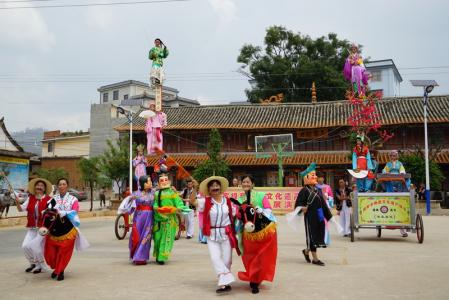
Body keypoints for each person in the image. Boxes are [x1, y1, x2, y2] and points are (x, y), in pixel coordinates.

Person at [237, 175, 277, 294]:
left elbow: (269, 210)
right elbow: (239, 217)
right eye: (243, 182)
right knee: (249, 256)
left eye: (248, 182)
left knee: (262, 256)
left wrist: (261, 210)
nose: (245, 184)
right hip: (248, 234)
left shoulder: (261, 196)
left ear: (253, 184)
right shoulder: (240, 199)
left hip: (263, 232)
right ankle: (253, 279)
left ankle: (257, 279)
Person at [199, 176, 239, 294]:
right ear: (209, 189)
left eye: (217, 185)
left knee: (227, 260)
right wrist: (195, 189)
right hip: (211, 235)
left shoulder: (227, 201)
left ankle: (225, 281)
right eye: (212, 186)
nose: (215, 187)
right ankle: (223, 283)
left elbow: (235, 214)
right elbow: (192, 202)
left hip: (226, 233)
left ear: (220, 187)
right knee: (215, 257)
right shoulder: (205, 201)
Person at [44, 177, 89, 281]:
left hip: (68, 228)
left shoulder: (73, 199)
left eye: (64, 184)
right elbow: (48, 210)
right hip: (54, 229)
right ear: (57, 186)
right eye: (60, 184)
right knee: (51, 251)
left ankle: (61, 271)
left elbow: (75, 211)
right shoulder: (53, 199)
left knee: (64, 252)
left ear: (67, 186)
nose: (62, 186)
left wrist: (66, 213)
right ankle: (56, 268)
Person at [295, 163, 338, 266]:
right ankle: (315, 259)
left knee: (318, 236)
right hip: (310, 217)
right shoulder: (304, 191)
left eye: (315, 175)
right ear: (306, 178)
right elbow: (298, 205)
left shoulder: (317, 190)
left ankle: (306, 251)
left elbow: (323, 204)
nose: (315, 177)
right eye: (312, 175)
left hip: (319, 216)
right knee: (311, 236)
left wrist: (330, 217)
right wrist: (302, 208)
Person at [15, 178, 52, 274]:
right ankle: (33, 263)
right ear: (35, 187)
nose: (39, 187)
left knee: (36, 248)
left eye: (41, 186)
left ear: (44, 189)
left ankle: (41, 266)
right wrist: (17, 201)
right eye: (38, 185)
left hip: (42, 228)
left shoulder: (49, 200)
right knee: (25, 246)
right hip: (32, 228)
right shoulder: (30, 198)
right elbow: (21, 209)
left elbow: (52, 213)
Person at [152, 173, 190, 265]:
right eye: (162, 180)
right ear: (159, 183)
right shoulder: (157, 194)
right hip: (158, 218)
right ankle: (158, 255)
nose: (164, 182)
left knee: (166, 238)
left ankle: (162, 257)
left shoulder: (173, 193)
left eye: (166, 180)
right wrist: (156, 208)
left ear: (169, 181)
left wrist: (180, 208)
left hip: (169, 219)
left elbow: (178, 202)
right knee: (157, 238)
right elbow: (155, 204)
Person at [126, 176, 154, 265]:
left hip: (149, 217)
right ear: (144, 184)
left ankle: (141, 257)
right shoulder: (136, 194)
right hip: (138, 217)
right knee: (136, 236)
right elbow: (129, 205)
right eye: (149, 181)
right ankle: (135, 254)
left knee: (146, 236)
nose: (151, 183)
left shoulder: (154, 193)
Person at [316, 174, 334, 245]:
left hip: (325, 207)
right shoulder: (315, 186)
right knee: (317, 223)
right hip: (317, 207)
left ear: (323, 178)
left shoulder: (327, 187)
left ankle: (325, 240)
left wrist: (328, 198)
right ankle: (318, 239)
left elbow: (331, 196)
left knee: (325, 223)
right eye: (319, 178)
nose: (320, 179)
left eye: (321, 178)